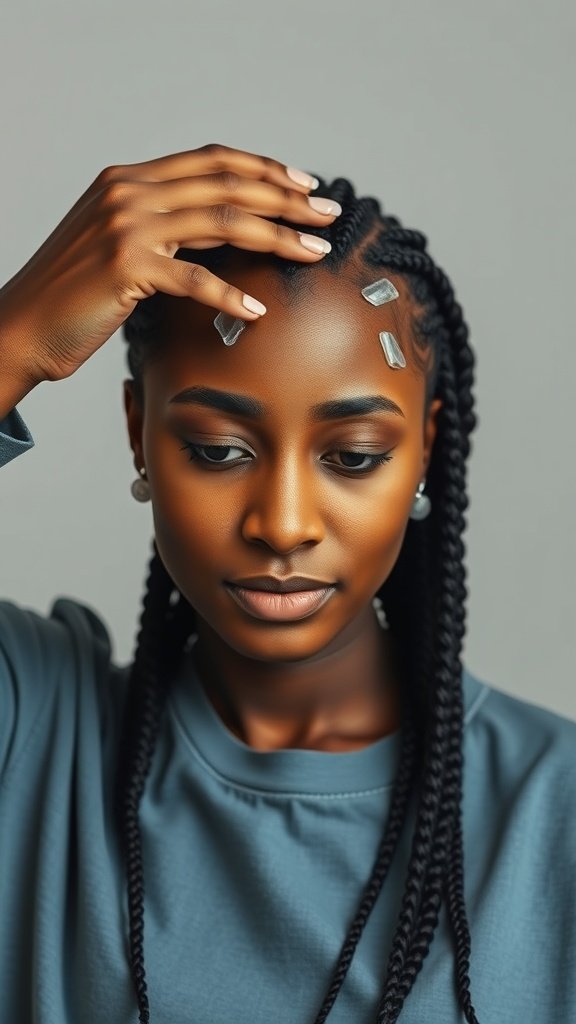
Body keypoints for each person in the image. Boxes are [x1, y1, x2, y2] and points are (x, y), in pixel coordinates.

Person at [0, 144, 574, 1024]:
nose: (283, 522)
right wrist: (11, 343)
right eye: (218, 450)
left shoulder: (556, 812)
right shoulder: (34, 738)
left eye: (353, 457)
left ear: (425, 448)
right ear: (138, 435)